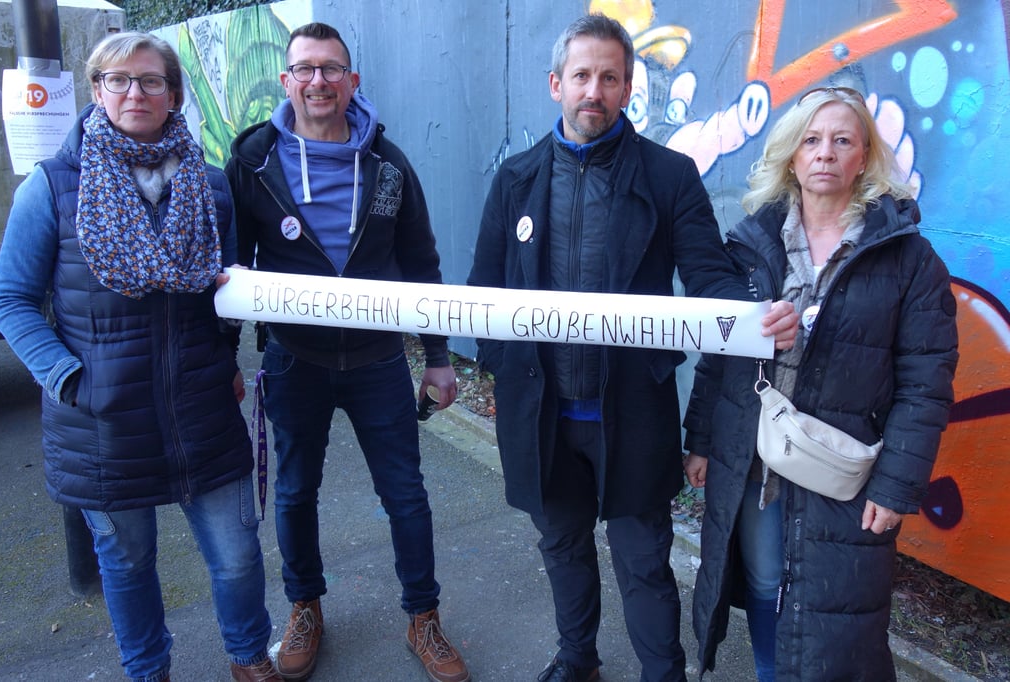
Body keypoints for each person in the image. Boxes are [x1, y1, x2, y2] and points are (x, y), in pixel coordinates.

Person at [466, 14, 797, 682]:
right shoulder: (515, 180)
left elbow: (710, 277)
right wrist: (511, 380)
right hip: (543, 417)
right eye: (582, 76)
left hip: (631, 415)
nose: (595, 90)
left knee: (644, 558)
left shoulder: (669, 176)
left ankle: (662, 673)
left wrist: (754, 313)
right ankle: (577, 658)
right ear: (556, 84)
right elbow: (484, 296)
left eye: (610, 78)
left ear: (627, 88)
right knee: (561, 546)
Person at [0, 32, 281, 682]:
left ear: (173, 93)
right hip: (103, 423)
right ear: (96, 92)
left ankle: (249, 656)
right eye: (118, 81)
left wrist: (227, 360)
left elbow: (222, 291)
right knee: (126, 563)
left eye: (150, 80)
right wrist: (65, 377)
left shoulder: (210, 186)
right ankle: (148, 670)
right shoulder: (55, 187)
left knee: (236, 555)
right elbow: (8, 299)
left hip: (201, 411)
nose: (134, 92)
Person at [682, 86, 958, 681]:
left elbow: (925, 384)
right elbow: (718, 352)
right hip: (755, 464)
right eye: (811, 140)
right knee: (761, 585)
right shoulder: (752, 248)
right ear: (791, 156)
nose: (825, 153)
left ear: (864, 157)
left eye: (842, 140)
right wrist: (701, 438)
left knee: (839, 615)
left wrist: (896, 485)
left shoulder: (909, 260)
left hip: (845, 471)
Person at [224, 22, 469, 682]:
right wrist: (227, 364)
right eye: (305, 69)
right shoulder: (251, 162)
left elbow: (421, 263)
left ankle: (424, 619)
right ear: (286, 81)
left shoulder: (388, 166)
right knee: (296, 494)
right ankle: (305, 609)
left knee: (407, 498)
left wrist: (440, 357)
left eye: (331, 69)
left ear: (352, 80)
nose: (319, 81)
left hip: (379, 362)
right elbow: (228, 271)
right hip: (293, 362)